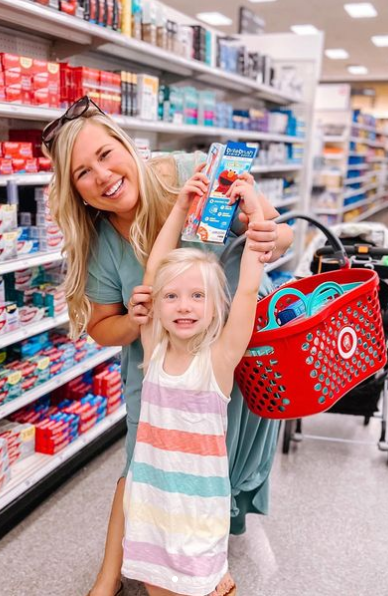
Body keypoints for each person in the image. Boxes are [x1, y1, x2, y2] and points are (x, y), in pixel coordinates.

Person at [42, 96, 292, 596]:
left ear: (126, 146)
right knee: (143, 463)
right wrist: (137, 322)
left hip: (229, 352)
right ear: (76, 192)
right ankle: (109, 576)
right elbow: (103, 326)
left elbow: (276, 234)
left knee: (215, 463)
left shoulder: (187, 174)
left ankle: (205, 562)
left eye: (106, 155)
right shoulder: (96, 241)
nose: (103, 176)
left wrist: (268, 232)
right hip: (158, 358)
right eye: (83, 173)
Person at [120, 163, 265, 596]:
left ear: (214, 305)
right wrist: (182, 207)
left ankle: (217, 581)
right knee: (157, 586)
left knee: (194, 585)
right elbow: (155, 269)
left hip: (199, 507)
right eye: (173, 296)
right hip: (151, 500)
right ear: (157, 305)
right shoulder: (155, 351)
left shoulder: (219, 360)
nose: (184, 306)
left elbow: (246, 293)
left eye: (197, 296)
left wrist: (255, 211)